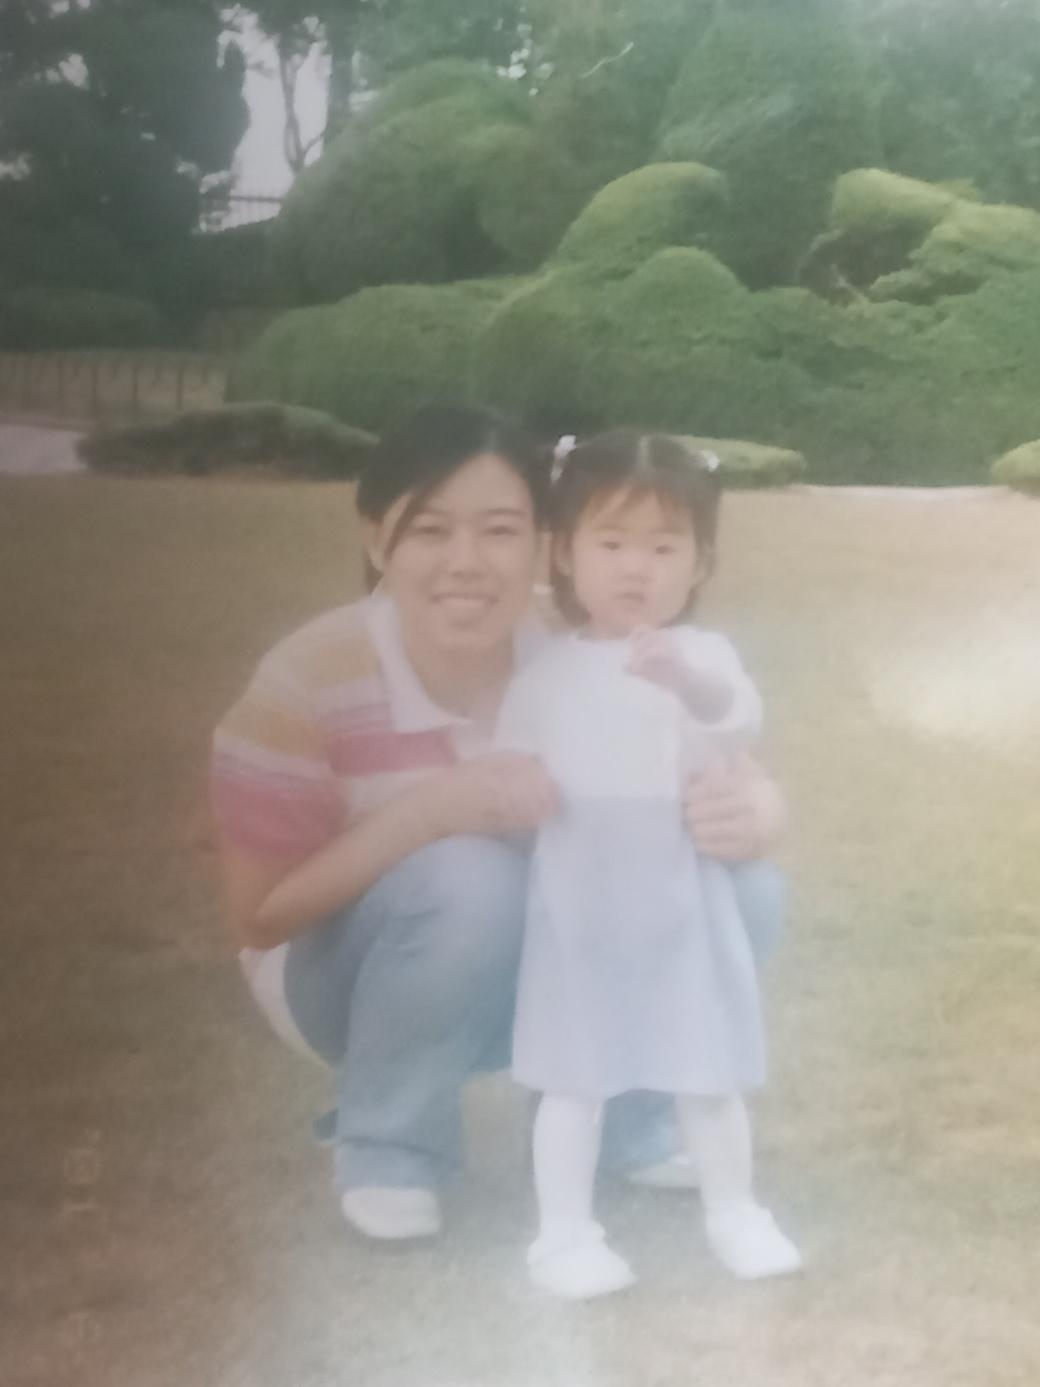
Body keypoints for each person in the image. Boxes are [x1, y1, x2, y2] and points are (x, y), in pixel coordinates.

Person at [211, 404, 788, 1244]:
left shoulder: (582, 644)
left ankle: (631, 1122)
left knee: (743, 888)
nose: (467, 562)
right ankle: (390, 1146)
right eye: (430, 529)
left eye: (500, 530)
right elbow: (260, 917)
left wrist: (757, 812)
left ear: (544, 543)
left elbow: (722, 755)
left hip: (550, 947)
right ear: (377, 538)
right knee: (472, 877)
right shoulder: (309, 676)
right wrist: (434, 810)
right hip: (339, 978)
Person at [495, 430, 801, 1299]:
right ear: (565, 552)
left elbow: (734, 717)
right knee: (574, 1076)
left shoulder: (704, 656)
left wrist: (682, 681)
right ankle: (563, 1233)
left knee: (708, 1066)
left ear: (701, 562)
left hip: (678, 897)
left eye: (666, 547)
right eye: (613, 542)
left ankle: (734, 1210)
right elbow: (511, 760)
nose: (638, 567)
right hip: (579, 904)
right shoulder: (548, 671)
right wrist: (515, 781)